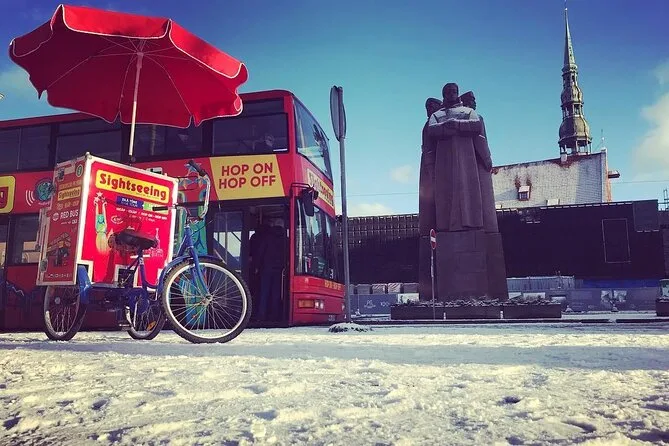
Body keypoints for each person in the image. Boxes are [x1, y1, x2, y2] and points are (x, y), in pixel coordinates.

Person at [255, 217, 287, 322]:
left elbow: (260, 253)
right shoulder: (286, 239)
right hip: (280, 270)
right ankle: (275, 316)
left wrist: (257, 266)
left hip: (266, 268)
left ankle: (261, 315)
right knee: (276, 293)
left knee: (264, 293)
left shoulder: (267, 237)